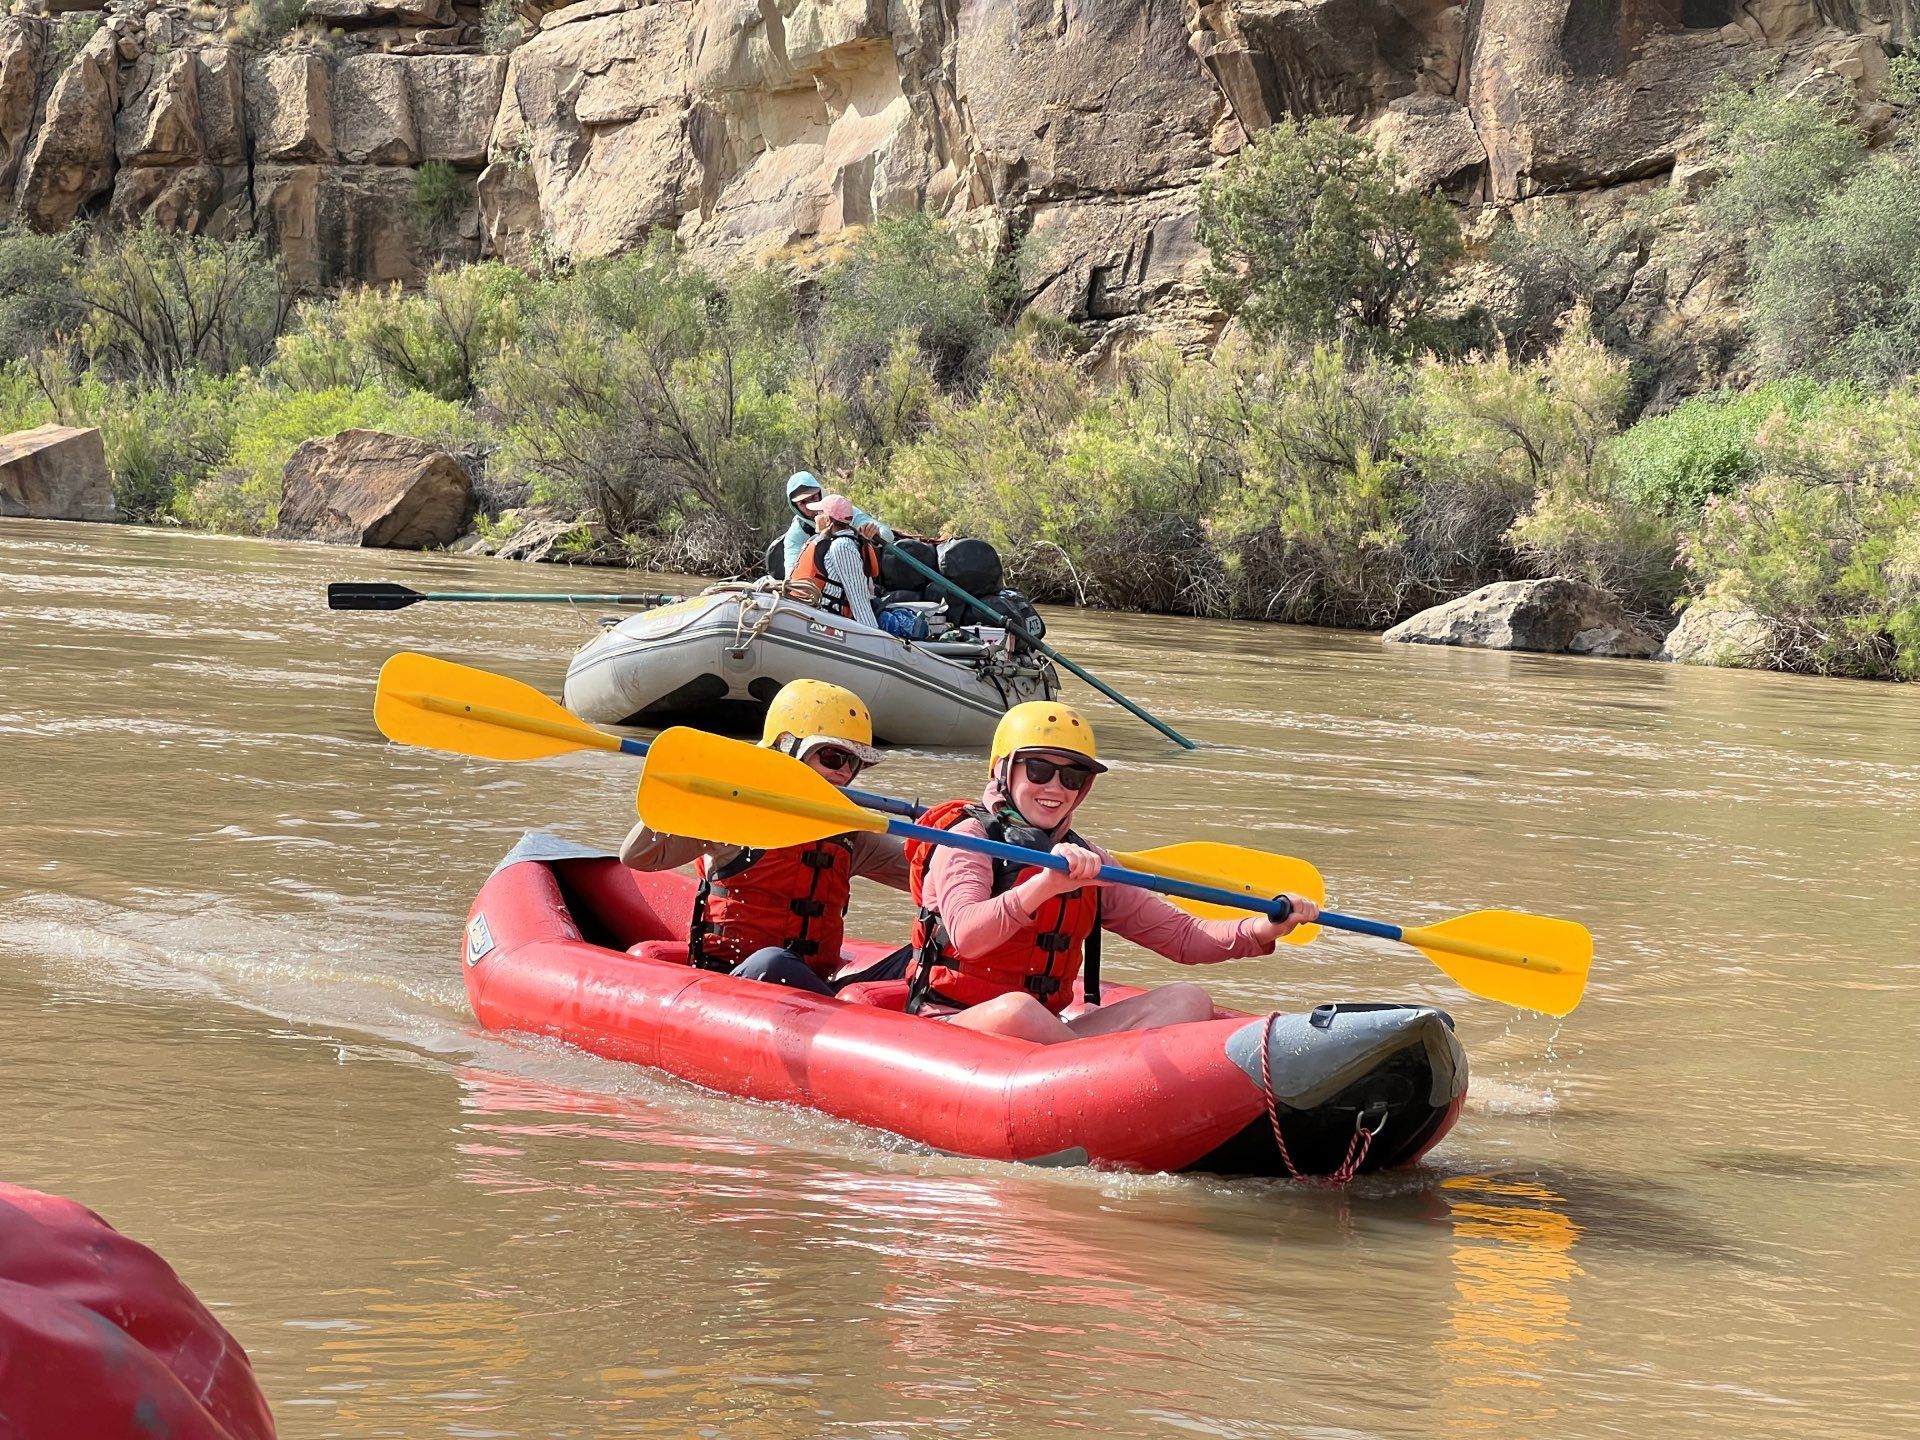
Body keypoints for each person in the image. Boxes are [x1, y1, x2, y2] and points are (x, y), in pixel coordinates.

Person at [904, 702, 1320, 1043]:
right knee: (1017, 1011)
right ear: (1003, 770)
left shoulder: (1089, 859)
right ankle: (1091, 1073)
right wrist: (1046, 886)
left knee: (1186, 1000)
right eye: (1038, 770)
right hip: (953, 1024)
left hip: (1047, 1034)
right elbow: (967, 936)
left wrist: (1264, 929)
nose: (1055, 788)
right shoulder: (968, 839)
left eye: (1071, 776)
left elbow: (1181, 937)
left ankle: (1089, 1075)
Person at [620, 680, 908, 995]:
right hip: (737, 981)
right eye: (833, 757)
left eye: (855, 764)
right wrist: (694, 793)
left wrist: (963, 829)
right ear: (786, 746)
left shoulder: (848, 831)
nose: (844, 773)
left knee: (923, 957)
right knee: (776, 963)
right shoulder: (734, 812)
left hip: (815, 990)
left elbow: (926, 876)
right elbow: (638, 856)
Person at [789, 494, 884, 630]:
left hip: (829, 622)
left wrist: (874, 635)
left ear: (828, 520)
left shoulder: (842, 546)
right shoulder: (828, 542)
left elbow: (859, 599)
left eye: (819, 513)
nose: (815, 516)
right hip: (812, 614)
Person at [779, 471, 890, 578]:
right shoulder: (796, 534)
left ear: (820, 493)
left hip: (860, 577)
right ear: (795, 507)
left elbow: (888, 535)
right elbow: (791, 575)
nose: (810, 505)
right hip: (822, 591)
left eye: (813, 497)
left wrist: (876, 533)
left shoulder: (842, 511)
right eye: (803, 502)